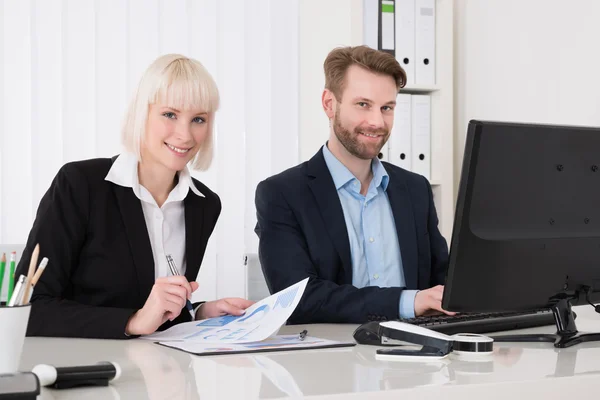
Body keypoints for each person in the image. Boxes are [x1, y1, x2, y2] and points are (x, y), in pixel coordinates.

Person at [15, 54, 254, 339]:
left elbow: (155, 310)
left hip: (158, 371)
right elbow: (29, 309)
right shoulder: (80, 185)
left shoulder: (204, 204)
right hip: (83, 368)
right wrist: (132, 321)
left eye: (198, 119)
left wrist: (199, 313)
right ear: (143, 113)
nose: (185, 134)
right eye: (170, 114)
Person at [254, 45, 453, 324]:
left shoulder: (415, 189)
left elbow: (445, 284)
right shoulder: (282, 194)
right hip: (333, 361)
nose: (377, 122)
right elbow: (299, 300)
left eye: (387, 108)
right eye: (363, 105)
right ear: (329, 104)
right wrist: (409, 301)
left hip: (418, 358)